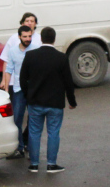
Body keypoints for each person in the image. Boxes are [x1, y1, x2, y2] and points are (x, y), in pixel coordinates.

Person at [19, 27, 76, 174]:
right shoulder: (61, 58)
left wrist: (28, 95)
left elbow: (22, 79)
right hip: (55, 103)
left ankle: (34, 164)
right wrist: (72, 101)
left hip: (35, 102)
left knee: (34, 133)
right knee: (53, 133)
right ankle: (51, 164)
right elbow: (68, 82)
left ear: (41, 39)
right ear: (54, 39)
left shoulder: (31, 56)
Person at [0, 25, 35, 158]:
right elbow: (8, 71)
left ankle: (32, 148)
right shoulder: (13, 51)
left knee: (33, 119)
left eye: (29, 36)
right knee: (17, 120)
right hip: (19, 89)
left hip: (33, 90)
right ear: (19, 36)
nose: (27, 39)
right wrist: (7, 91)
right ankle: (19, 148)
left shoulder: (35, 49)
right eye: (25, 36)